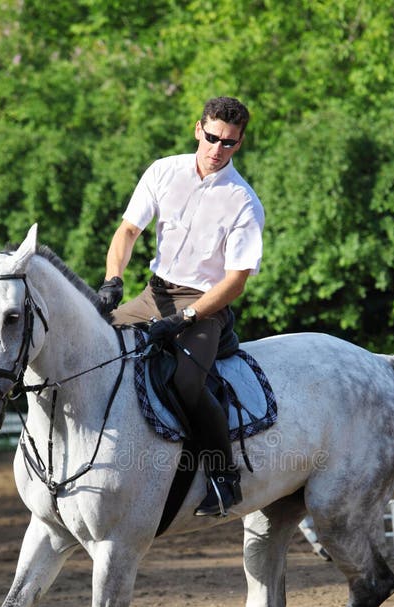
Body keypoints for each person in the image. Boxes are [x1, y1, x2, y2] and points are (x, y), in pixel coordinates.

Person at [97, 96, 265, 516]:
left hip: (205, 307)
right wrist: (113, 280)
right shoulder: (163, 171)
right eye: (212, 138)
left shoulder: (244, 201)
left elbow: (235, 281)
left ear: (239, 144)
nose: (217, 149)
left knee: (188, 384)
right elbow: (128, 231)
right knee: (96, 350)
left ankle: (224, 477)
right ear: (198, 129)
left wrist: (185, 318)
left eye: (228, 143)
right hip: (153, 295)